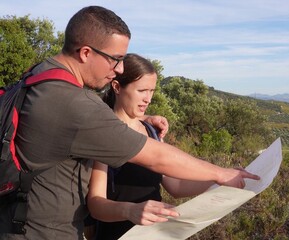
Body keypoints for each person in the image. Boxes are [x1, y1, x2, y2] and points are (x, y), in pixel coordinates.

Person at [0, 6, 259, 240]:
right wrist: (220, 173)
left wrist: (142, 118)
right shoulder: (73, 102)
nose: (120, 68)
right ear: (86, 53)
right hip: (42, 232)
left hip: (16, 220)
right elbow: (156, 156)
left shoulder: (40, 75)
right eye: (115, 58)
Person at [86, 53, 217, 239]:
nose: (148, 99)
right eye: (142, 91)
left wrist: (217, 180)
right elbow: (96, 204)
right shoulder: (105, 134)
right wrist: (130, 210)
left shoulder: (151, 131)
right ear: (117, 87)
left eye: (152, 91)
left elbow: (176, 186)